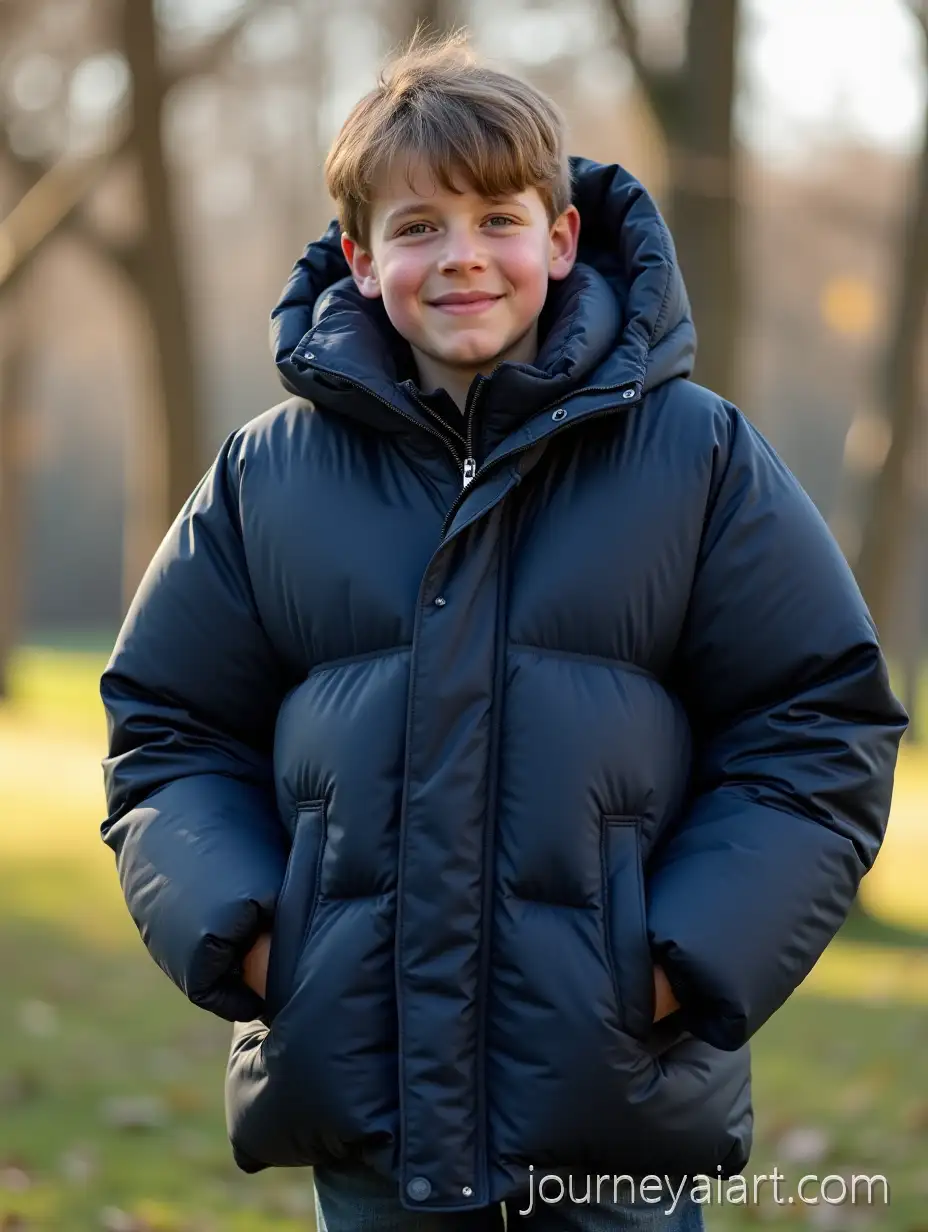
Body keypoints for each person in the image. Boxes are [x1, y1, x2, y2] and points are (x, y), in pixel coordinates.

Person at [98, 30, 908, 1232]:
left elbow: (817, 724)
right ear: (361, 260)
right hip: (368, 1110)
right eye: (417, 226)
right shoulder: (267, 478)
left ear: (561, 238)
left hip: (611, 1112)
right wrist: (265, 943)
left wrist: (670, 967)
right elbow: (167, 730)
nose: (461, 255)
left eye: (496, 218)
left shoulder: (697, 459)